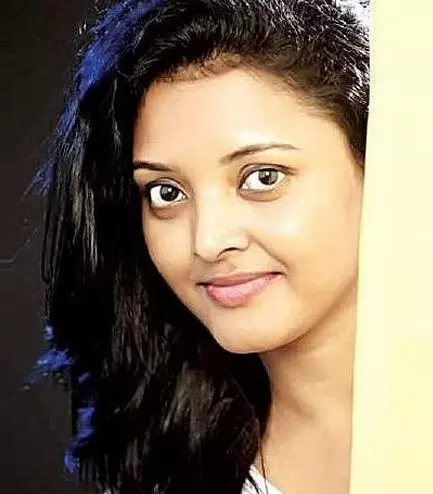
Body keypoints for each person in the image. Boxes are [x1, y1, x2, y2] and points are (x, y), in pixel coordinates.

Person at [32, 0, 370, 492]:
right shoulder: (162, 460)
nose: (207, 242)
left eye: (262, 177)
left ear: (373, 166)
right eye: (166, 193)